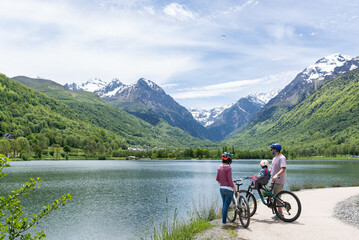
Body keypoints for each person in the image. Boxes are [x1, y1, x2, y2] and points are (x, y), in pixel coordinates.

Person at [216, 152, 237, 224]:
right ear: (229, 160)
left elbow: (217, 179)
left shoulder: (219, 167)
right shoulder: (228, 168)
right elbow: (230, 181)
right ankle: (224, 221)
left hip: (221, 189)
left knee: (224, 204)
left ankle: (224, 220)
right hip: (228, 189)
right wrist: (234, 189)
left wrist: (222, 182)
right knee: (226, 205)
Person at [269, 143, 287, 220]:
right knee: (275, 197)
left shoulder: (281, 158)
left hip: (278, 180)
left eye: (271, 149)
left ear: (275, 150)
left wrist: (276, 175)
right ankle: (278, 214)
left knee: (277, 198)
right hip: (273, 180)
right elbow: (272, 168)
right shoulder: (274, 158)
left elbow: (283, 169)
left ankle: (281, 214)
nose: (271, 151)